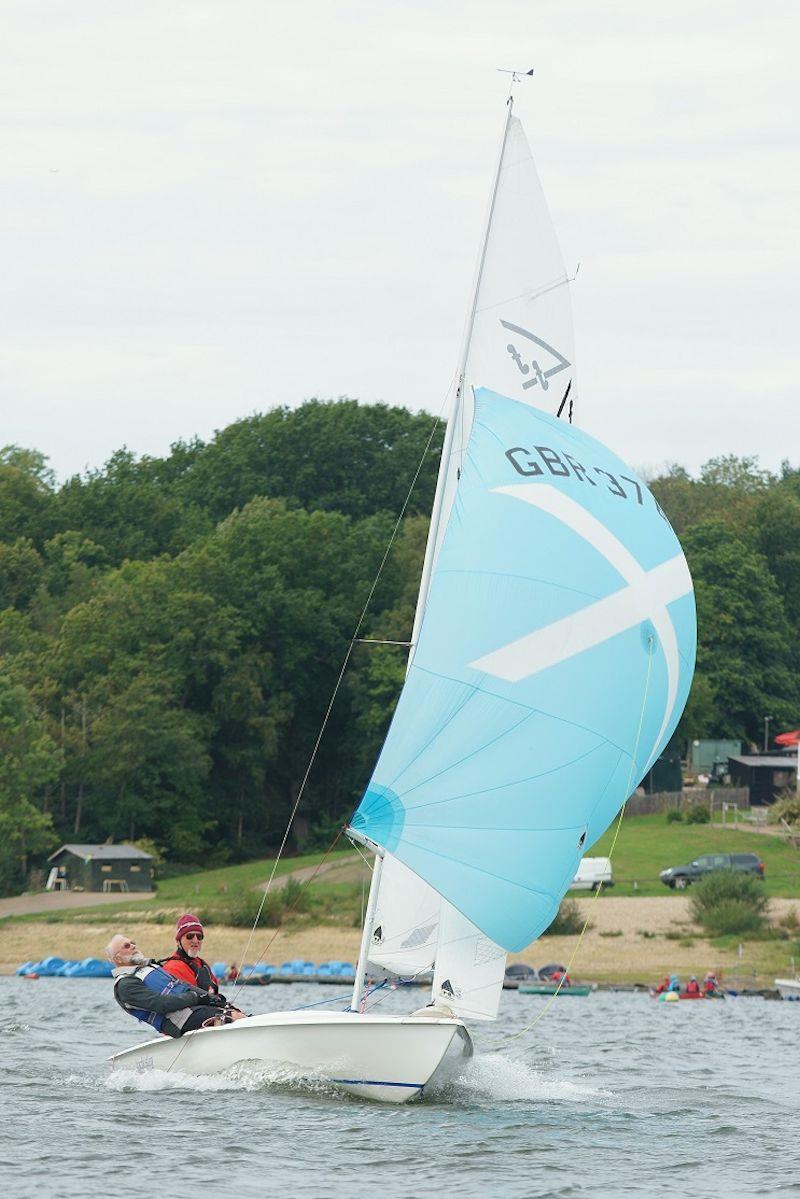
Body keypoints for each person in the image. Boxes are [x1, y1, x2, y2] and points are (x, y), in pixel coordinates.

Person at [107, 933, 245, 1038]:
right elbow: (160, 1004)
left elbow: (181, 985)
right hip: (179, 1021)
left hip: (194, 1009)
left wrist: (210, 998)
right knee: (233, 1017)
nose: (133, 946)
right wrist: (195, 998)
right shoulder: (125, 985)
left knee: (238, 1012)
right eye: (127, 946)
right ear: (117, 958)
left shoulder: (150, 967)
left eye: (132, 943)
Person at [161, 914, 221, 993]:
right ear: (178, 941)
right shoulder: (171, 968)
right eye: (190, 936)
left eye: (199, 936)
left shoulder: (203, 965)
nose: (195, 940)